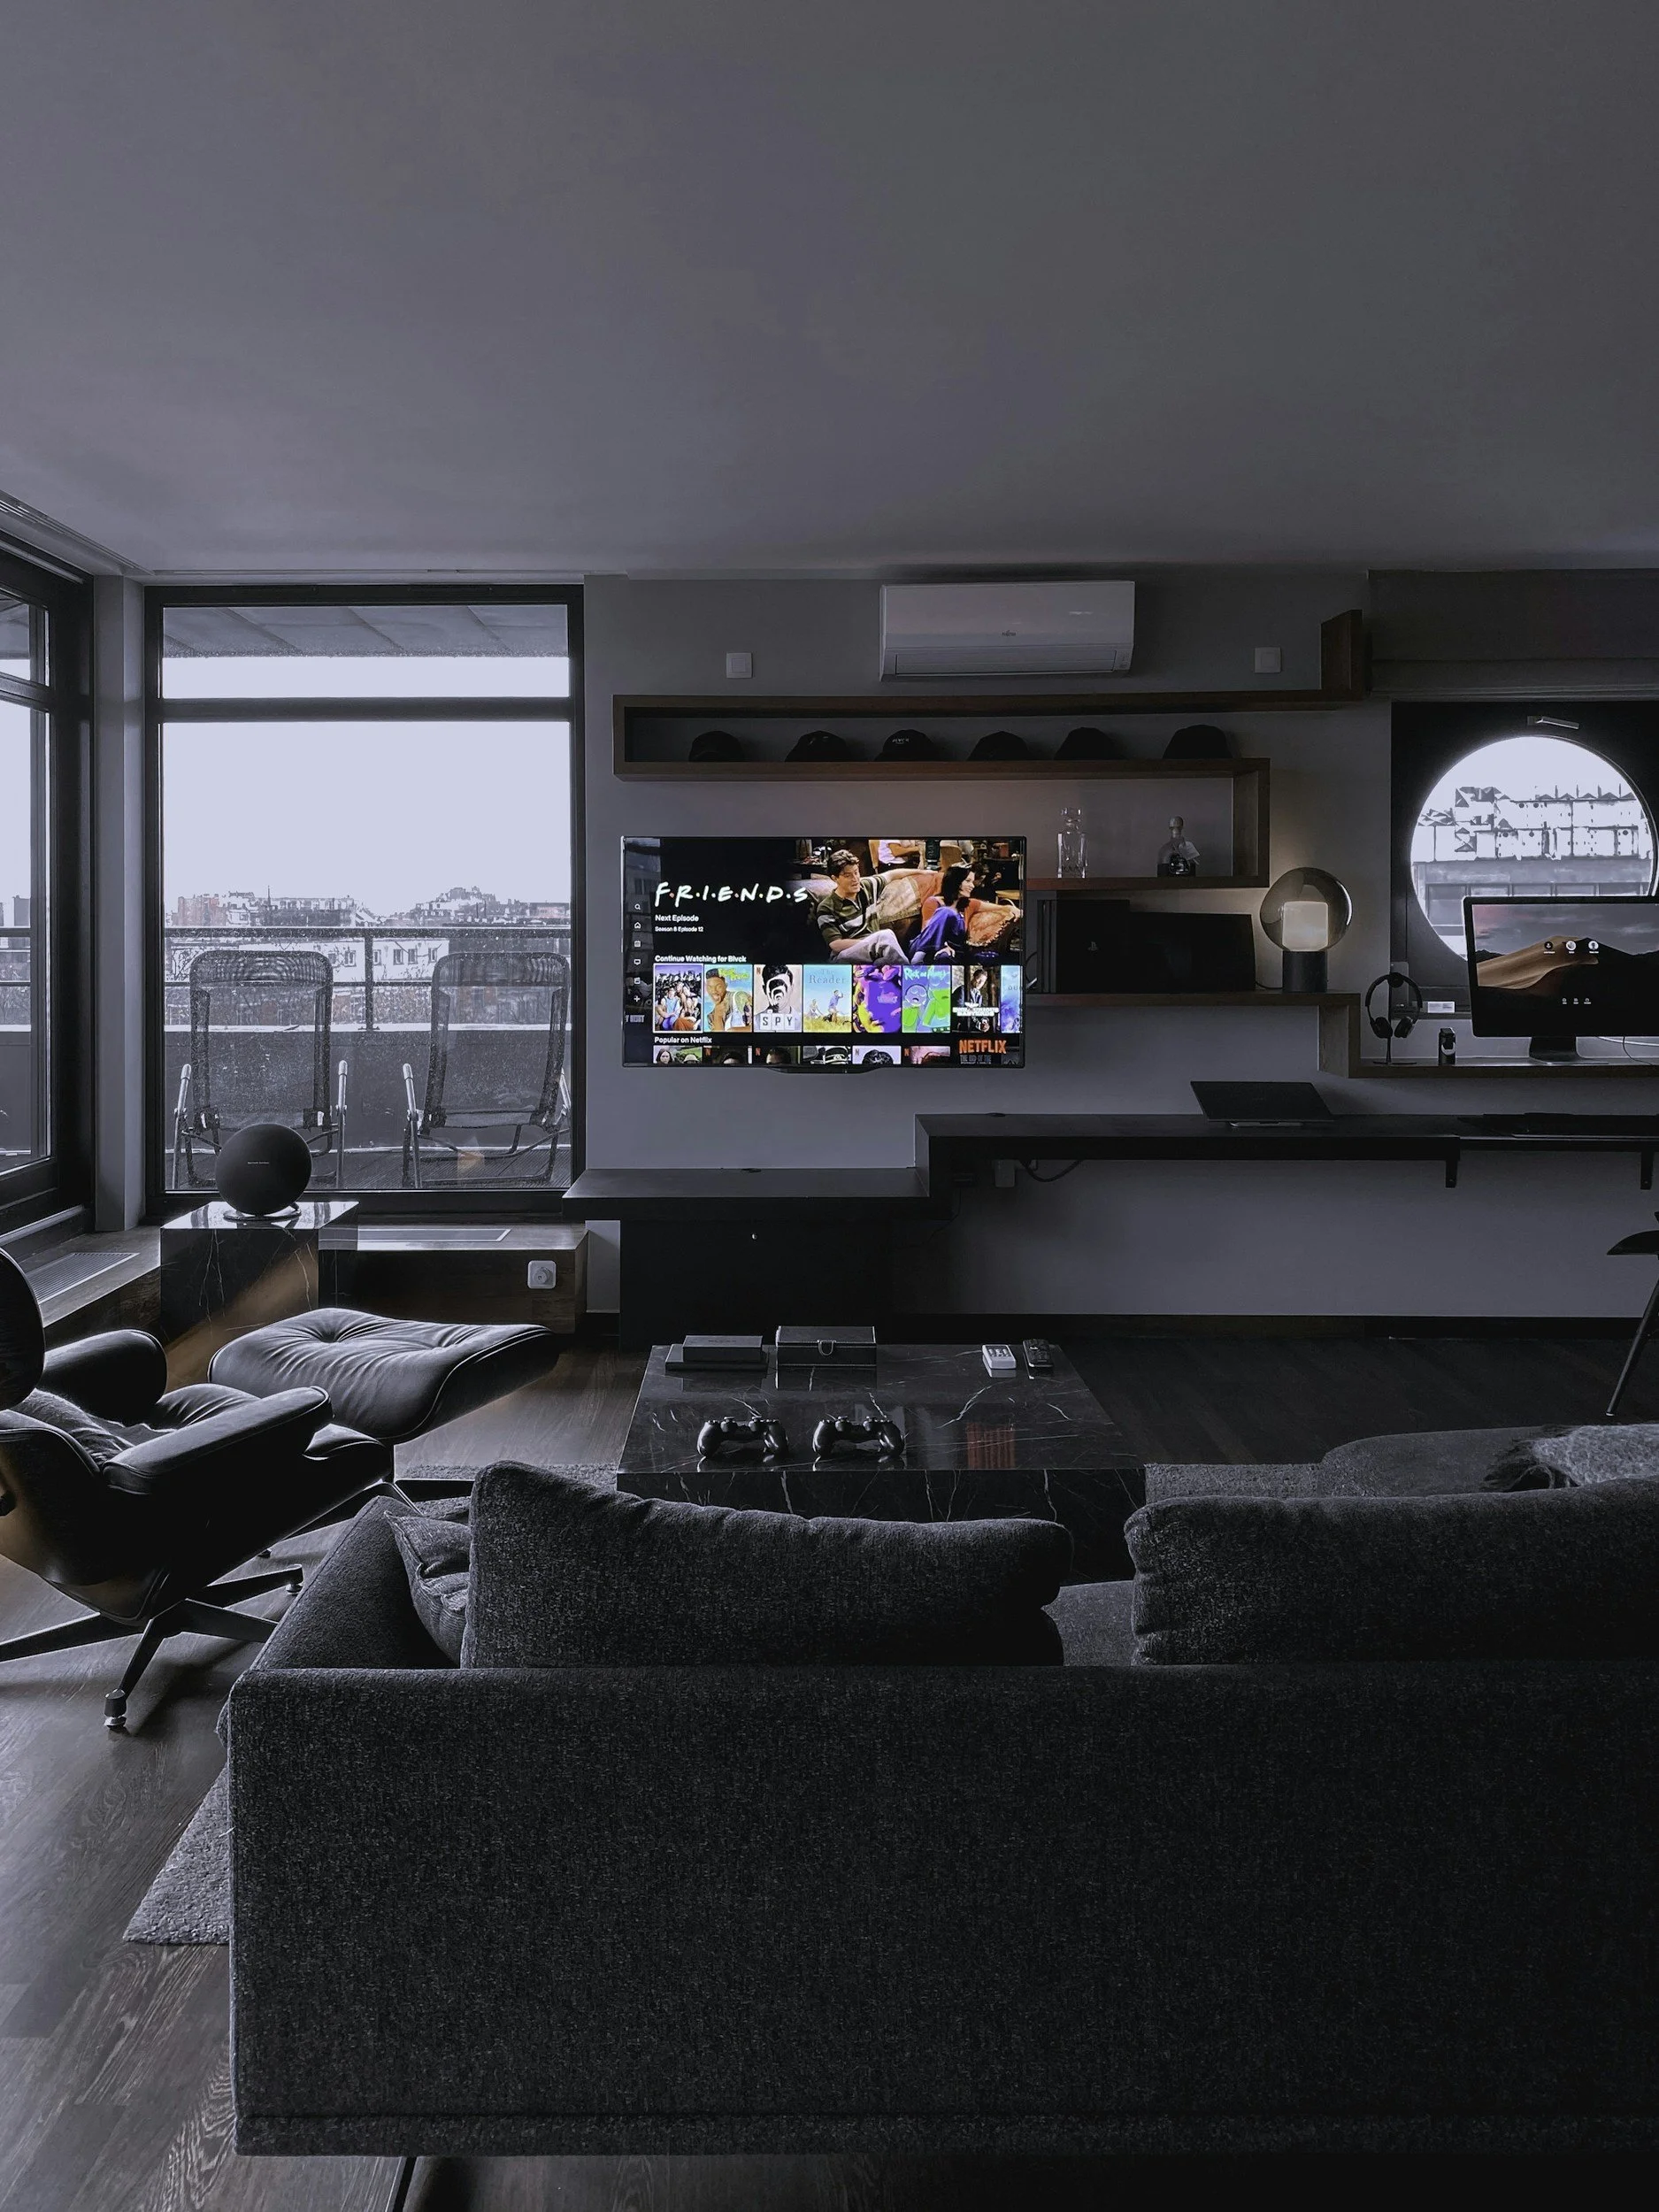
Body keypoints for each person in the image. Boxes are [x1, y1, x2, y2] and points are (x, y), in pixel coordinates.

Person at [814, 849, 908, 961]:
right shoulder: (827, 907)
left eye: (856, 872)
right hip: (843, 956)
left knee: (886, 963)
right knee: (886, 936)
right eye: (848, 876)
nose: (855, 879)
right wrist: (872, 942)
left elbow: (892, 875)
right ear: (835, 878)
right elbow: (836, 945)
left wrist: (927, 873)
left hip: (872, 952)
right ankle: (910, 975)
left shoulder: (867, 887)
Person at [910, 865, 976, 963]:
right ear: (956, 882)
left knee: (945, 956)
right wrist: (943, 945)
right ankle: (919, 958)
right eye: (968, 881)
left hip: (953, 950)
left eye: (973, 882)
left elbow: (1002, 907)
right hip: (922, 946)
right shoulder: (933, 902)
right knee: (946, 912)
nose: (972, 886)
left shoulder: (969, 905)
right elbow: (927, 931)